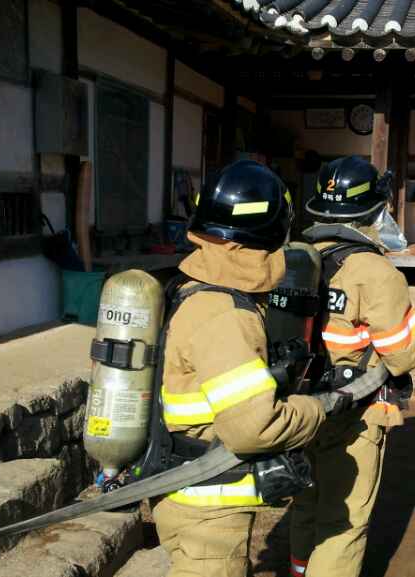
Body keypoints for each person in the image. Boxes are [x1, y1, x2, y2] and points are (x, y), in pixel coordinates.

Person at [152, 160, 327, 577]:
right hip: (208, 506)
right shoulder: (225, 313)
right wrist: (315, 410)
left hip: (186, 489)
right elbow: (254, 428)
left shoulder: (191, 285)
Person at [289, 156, 415, 577]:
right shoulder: (374, 270)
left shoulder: (296, 257)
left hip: (297, 405)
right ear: (375, 209)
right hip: (353, 412)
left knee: (307, 503)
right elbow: (402, 354)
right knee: (343, 520)